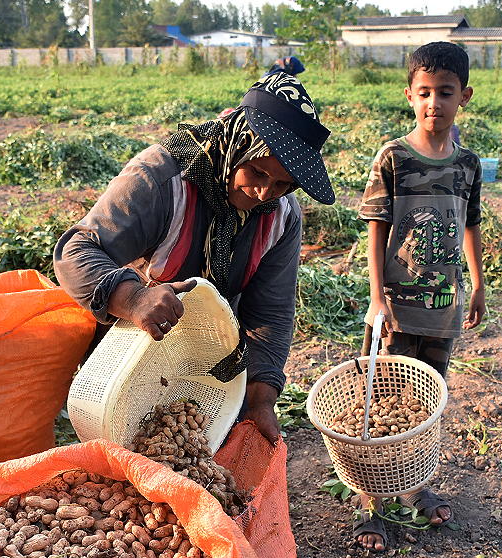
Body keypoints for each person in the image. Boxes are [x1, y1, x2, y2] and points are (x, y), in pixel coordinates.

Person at [54, 72, 335, 445]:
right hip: (130, 348)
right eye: (256, 170)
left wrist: (261, 402)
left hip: (211, 354)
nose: (264, 191)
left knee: (197, 456)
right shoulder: (162, 178)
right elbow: (75, 250)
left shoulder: (281, 214)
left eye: (283, 184)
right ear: (238, 146)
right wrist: (135, 299)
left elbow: (269, 315)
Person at [353, 41, 486, 551]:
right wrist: (376, 298)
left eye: (446, 93)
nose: (435, 103)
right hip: (396, 308)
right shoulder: (395, 157)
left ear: (464, 97)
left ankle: (416, 485)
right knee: (382, 403)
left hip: (444, 307)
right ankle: (373, 504)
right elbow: (376, 226)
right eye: (425, 92)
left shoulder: (467, 165)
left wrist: (477, 284)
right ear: (410, 95)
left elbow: (471, 224)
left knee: (427, 402)